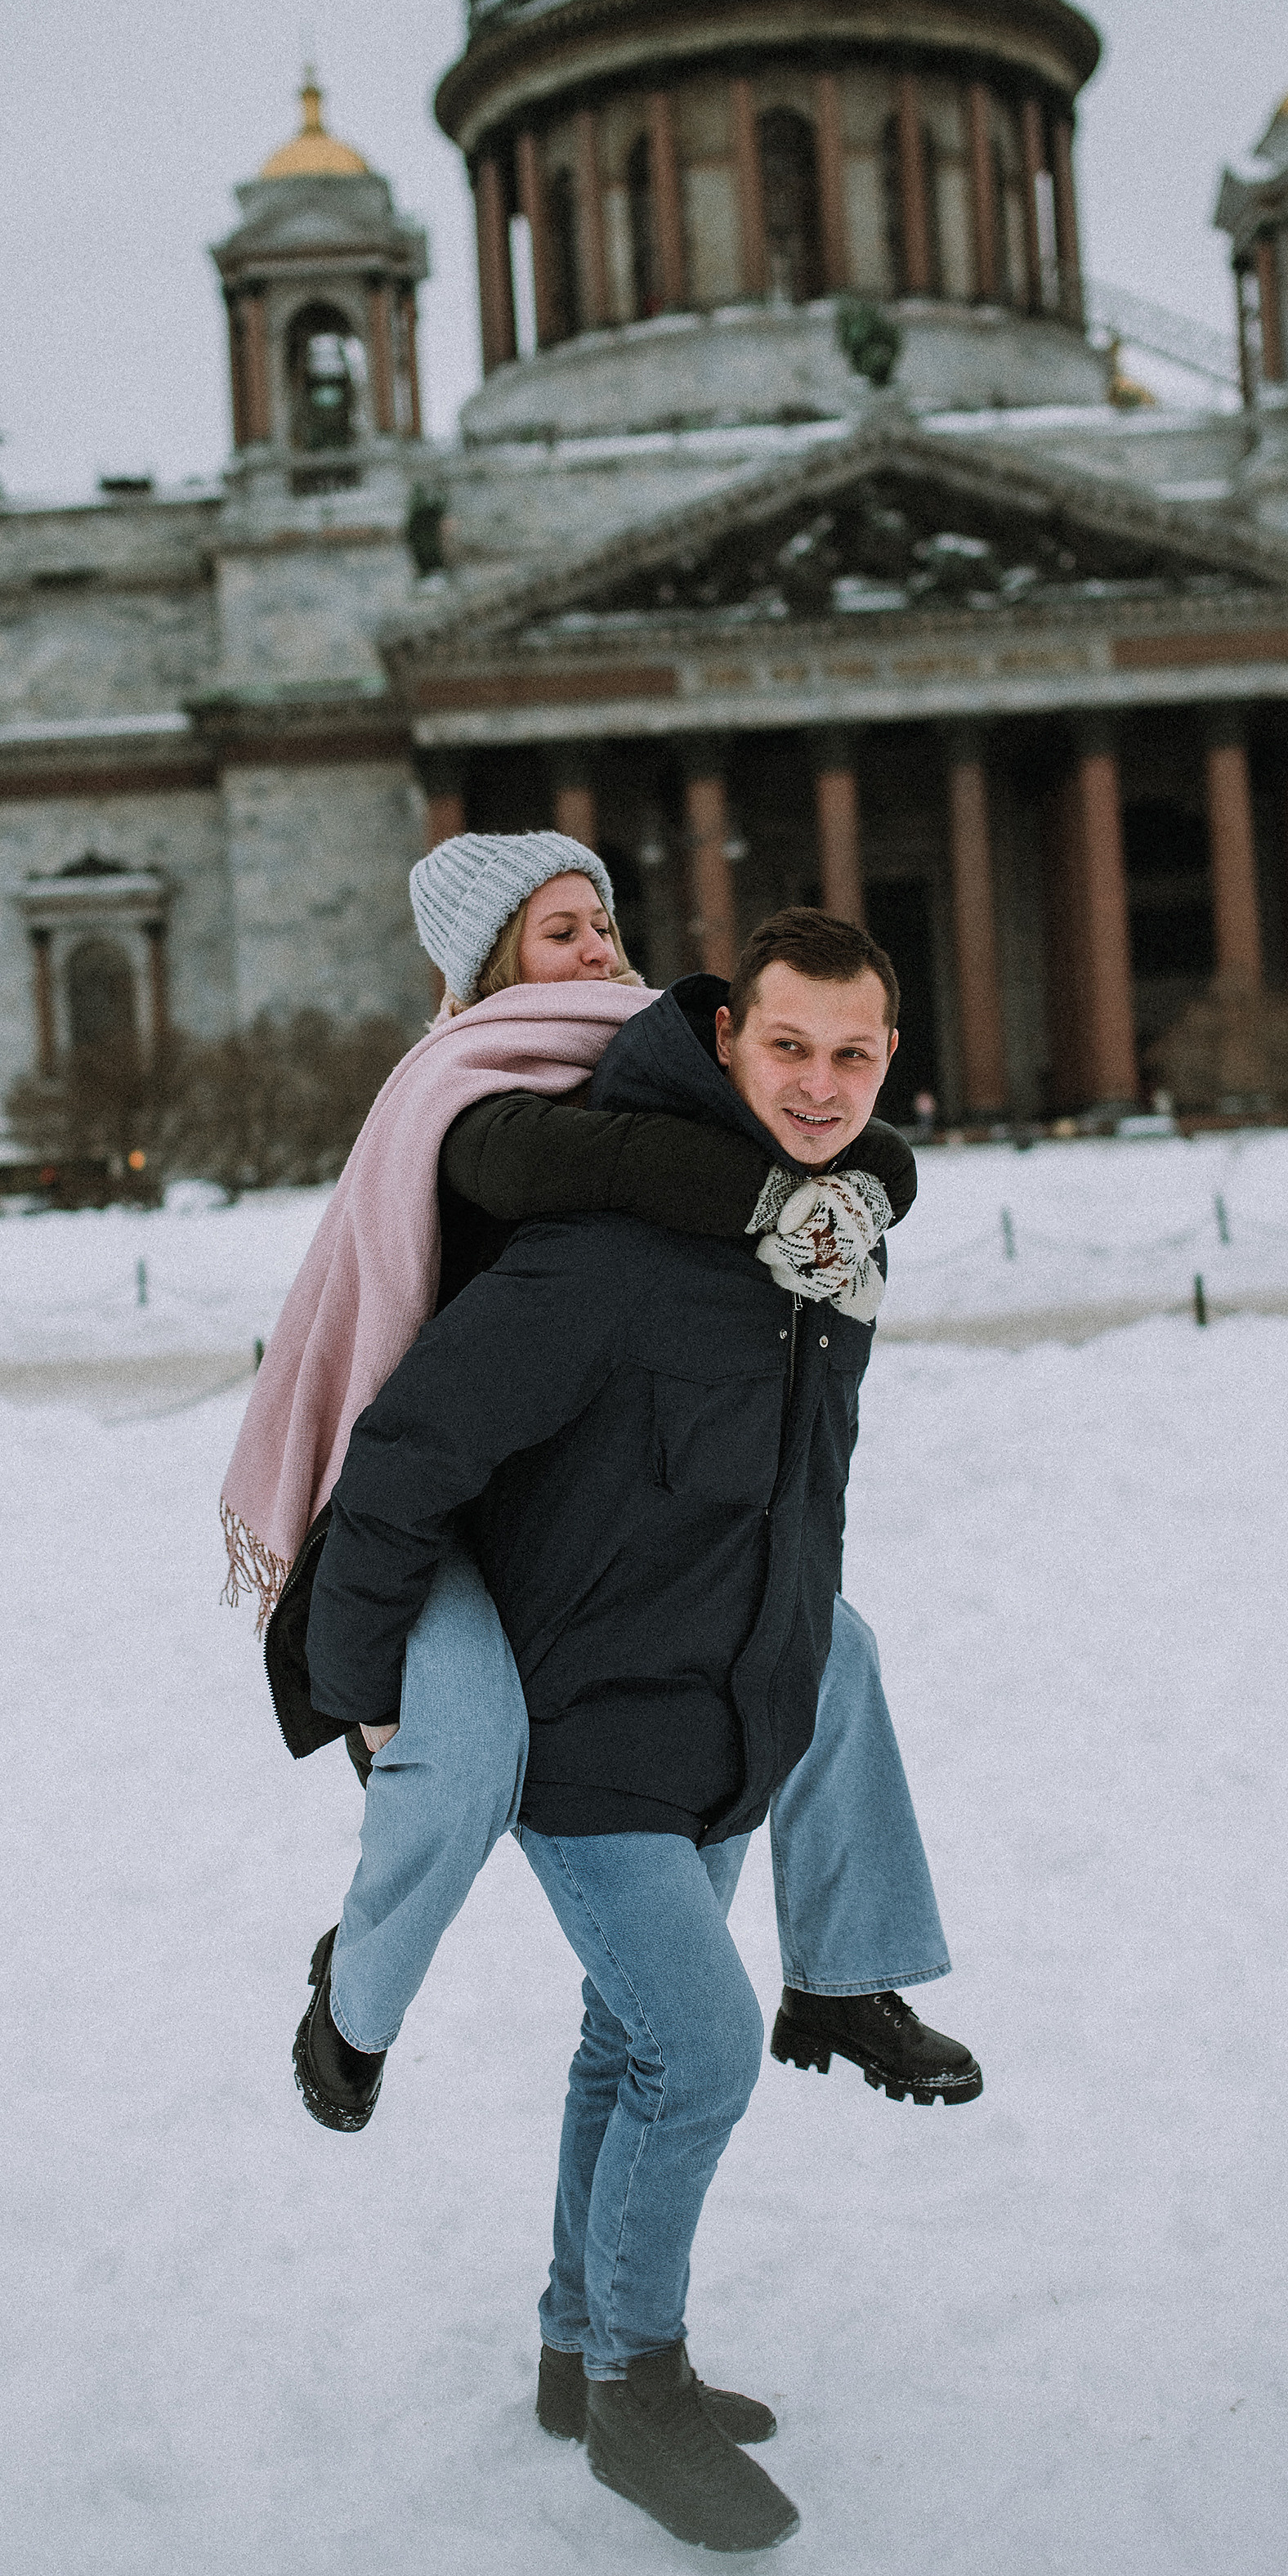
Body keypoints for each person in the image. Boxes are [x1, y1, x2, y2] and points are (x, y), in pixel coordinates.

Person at [303, 909, 923, 2551]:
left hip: (723, 1717)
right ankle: (643, 2386)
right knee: (702, 2051)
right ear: (724, 1036)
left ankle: (579, 2350)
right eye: (788, 1044)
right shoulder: (607, 1250)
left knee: (627, 2043)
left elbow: (799, 1500)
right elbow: (404, 1460)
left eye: (854, 1053)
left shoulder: (834, 1249)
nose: (819, 1082)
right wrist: (364, 1684)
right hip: (586, 1734)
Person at [221, 840, 973, 2176]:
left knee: (829, 1649)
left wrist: (858, 1172)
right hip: (423, 1505)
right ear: (489, 963)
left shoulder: (642, 1057)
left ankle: (844, 1974)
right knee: (458, 1745)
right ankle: (355, 2003)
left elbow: (859, 1133)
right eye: (561, 930)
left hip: (558, 1494)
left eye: (604, 920)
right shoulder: (473, 1098)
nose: (600, 950)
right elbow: (619, 1175)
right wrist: (799, 1193)